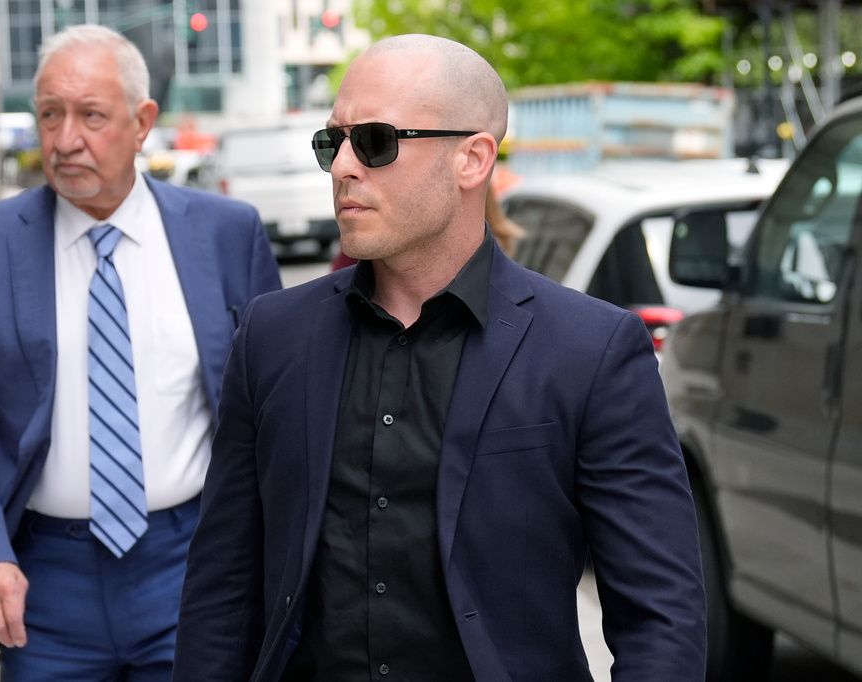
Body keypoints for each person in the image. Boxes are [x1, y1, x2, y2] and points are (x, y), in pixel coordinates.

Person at [173, 33, 706, 682]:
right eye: (332, 142)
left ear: (472, 159)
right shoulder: (272, 336)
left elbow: (661, 617)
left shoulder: (591, 350)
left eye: (375, 141)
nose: (343, 167)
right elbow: (223, 588)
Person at [0, 24, 281, 681]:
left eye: (91, 115)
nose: (64, 140)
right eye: (50, 114)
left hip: (194, 565)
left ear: (142, 123)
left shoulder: (227, 233)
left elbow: (274, 402)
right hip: (47, 583)